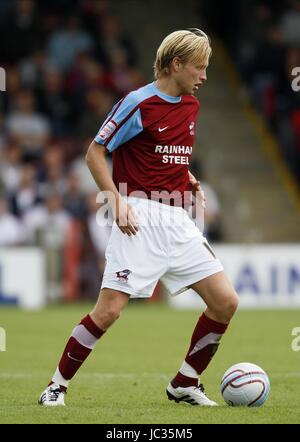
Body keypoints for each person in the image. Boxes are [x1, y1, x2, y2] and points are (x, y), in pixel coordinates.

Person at [38, 28, 238, 407]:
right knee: (110, 310)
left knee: (225, 301)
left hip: (178, 219)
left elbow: (166, 155)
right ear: (176, 64)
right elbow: (94, 153)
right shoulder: (137, 103)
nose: (205, 76)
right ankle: (56, 387)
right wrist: (115, 201)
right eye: (200, 67)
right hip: (139, 216)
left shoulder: (192, 106)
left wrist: (188, 178)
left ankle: (185, 382)